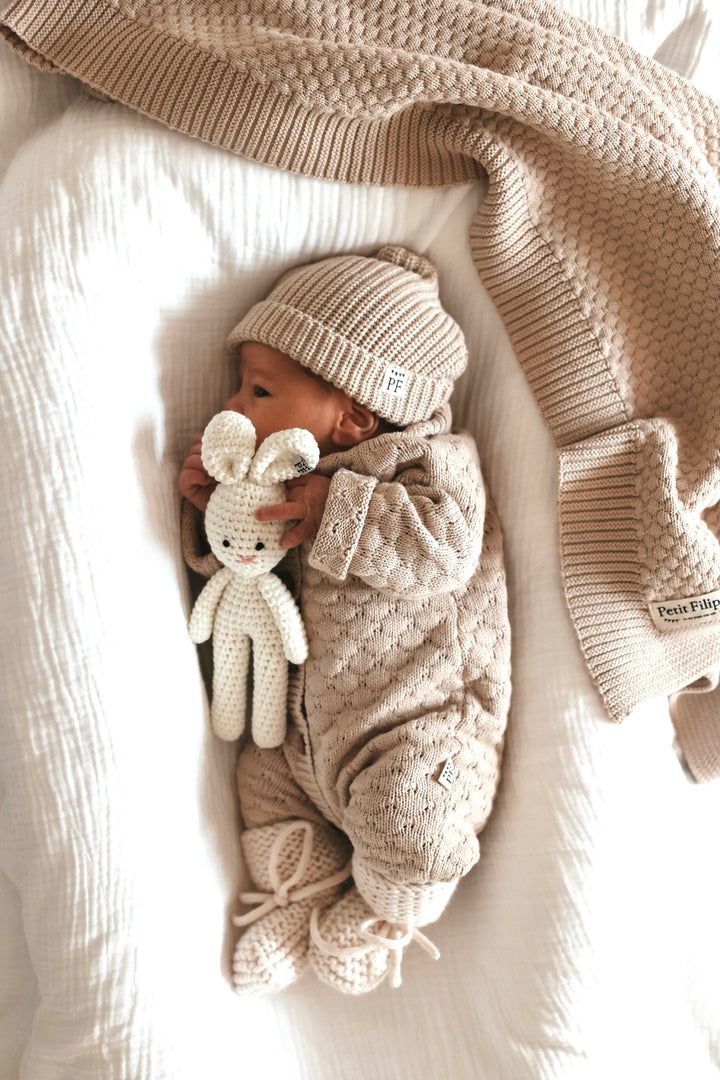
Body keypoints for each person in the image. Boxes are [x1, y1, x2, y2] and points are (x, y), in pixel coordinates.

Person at [178, 244, 512, 995]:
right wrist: (216, 520)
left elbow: (443, 555)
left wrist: (336, 508)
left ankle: (384, 908)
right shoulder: (289, 480)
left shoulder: (430, 467)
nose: (233, 408)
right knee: (260, 777)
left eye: (258, 391)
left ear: (354, 414)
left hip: (421, 735)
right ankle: (302, 883)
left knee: (412, 821)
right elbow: (248, 580)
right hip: (307, 739)